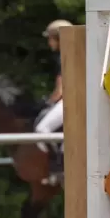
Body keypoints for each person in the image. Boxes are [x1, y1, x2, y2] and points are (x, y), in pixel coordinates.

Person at [35, 19, 73, 185]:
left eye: (50, 38)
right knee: (68, 136)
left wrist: (48, 102)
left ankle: (57, 168)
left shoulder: (64, 56)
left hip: (70, 101)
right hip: (81, 101)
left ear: (58, 38)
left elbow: (61, 90)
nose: (49, 42)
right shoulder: (75, 52)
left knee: (41, 129)